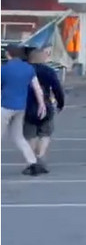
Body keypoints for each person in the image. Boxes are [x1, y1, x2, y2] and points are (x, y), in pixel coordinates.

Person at [3, 44, 47, 175]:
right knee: (19, 137)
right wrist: (41, 104)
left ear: (8, 54)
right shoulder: (28, 68)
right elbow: (37, 88)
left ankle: (32, 162)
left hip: (5, 106)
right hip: (21, 107)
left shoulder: (4, 69)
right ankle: (32, 162)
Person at [23, 47, 65, 167]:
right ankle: (40, 155)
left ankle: (32, 160)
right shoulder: (48, 71)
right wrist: (60, 103)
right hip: (45, 104)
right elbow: (57, 88)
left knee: (30, 134)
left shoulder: (24, 70)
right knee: (45, 133)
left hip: (27, 105)